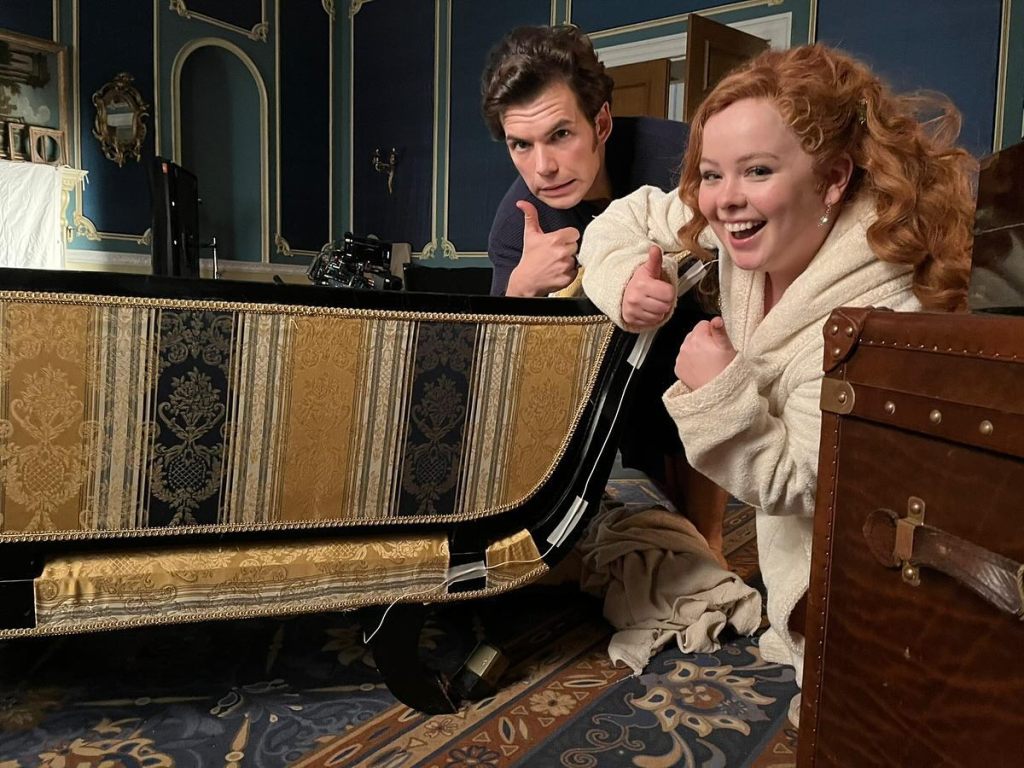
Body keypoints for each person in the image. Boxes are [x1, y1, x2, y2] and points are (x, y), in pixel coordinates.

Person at [577, 43, 976, 693]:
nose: (725, 200)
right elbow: (632, 216)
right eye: (711, 174)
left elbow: (808, 482)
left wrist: (718, 388)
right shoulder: (750, 228)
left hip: (865, 568)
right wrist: (623, 279)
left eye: (757, 170)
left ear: (834, 177)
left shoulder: (876, 313)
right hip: (793, 542)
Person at [480, 24, 732, 559]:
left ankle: (708, 539)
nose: (542, 168)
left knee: (694, 353)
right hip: (593, 363)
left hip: (697, 322)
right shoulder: (515, 222)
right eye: (520, 145)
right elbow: (497, 358)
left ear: (601, 122)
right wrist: (522, 288)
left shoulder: (679, 156)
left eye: (561, 135)